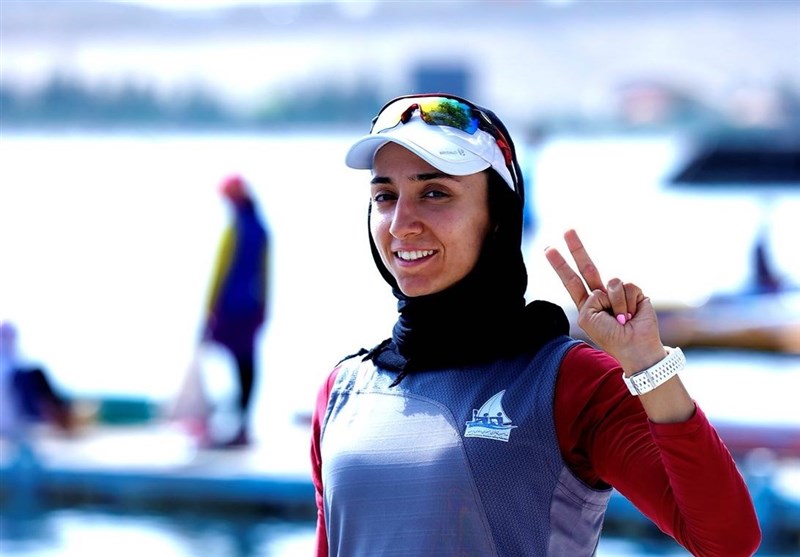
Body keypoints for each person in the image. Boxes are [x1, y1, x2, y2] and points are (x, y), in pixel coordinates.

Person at [310, 94, 761, 556]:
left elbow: (728, 541)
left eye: (435, 193)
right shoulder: (343, 389)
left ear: (498, 217)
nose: (400, 224)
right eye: (385, 196)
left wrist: (648, 364)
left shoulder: (570, 383)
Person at [202, 174, 269, 448]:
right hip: (250, 307)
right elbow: (265, 273)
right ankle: (239, 425)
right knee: (245, 367)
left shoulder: (237, 229)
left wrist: (209, 309)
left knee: (228, 365)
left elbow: (220, 272)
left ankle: (221, 422)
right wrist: (264, 306)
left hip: (230, 309)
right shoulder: (260, 228)